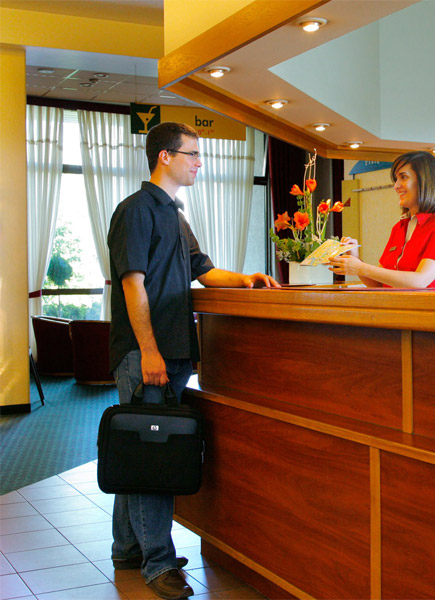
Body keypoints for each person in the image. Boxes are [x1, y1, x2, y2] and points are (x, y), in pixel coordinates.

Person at [107, 121, 279, 600]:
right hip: (147, 354)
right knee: (152, 458)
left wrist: (246, 279)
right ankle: (158, 564)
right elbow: (133, 285)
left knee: (138, 451)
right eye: (193, 154)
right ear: (165, 156)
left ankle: (127, 548)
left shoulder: (175, 214)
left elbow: (203, 270)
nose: (200, 162)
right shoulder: (136, 210)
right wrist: (149, 350)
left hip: (173, 353)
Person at [328, 151, 435, 291]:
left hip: (425, 306)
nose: (396, 186)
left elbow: (420, 281)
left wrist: (361, 268)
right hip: (393, 304)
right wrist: (356, 259)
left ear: (424, 181)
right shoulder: (399, 228)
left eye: (403, 177)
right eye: (396, 179)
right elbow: (378, 284)